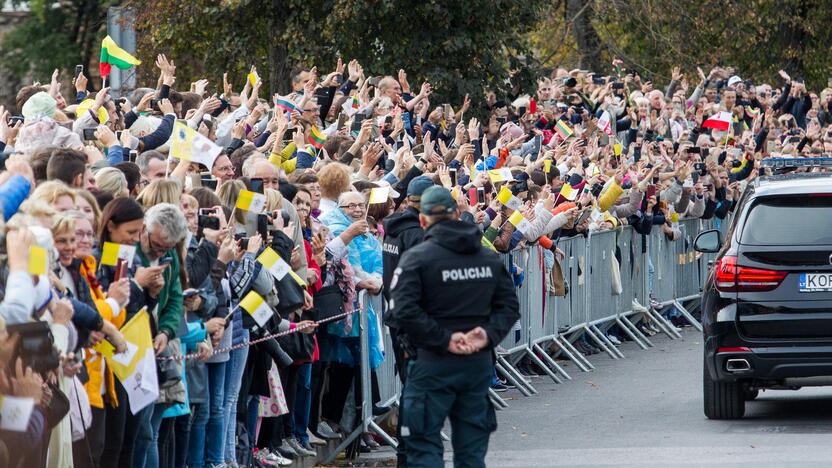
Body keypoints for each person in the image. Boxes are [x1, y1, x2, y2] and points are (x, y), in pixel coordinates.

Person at [385, 186, 519, 468]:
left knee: (424, 451)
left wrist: (443, 340)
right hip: (476, 363)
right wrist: (486, 335)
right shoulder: (487, 258)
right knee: (471, 454)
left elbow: (400, 311)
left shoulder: (417, 259)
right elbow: (508, 307)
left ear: (422, 221)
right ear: (458, 214)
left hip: (432, 363)